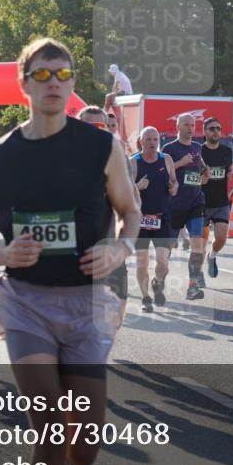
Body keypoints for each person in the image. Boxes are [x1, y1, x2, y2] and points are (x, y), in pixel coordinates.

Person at [0, 37, 139, 465]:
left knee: (83, 446)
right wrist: (2, 252)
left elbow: (130, 213)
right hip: (26, 303)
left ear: (71, 82)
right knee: (46, 425)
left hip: (86, 304)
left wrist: (119, 247)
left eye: (62, 74)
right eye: (42, 75)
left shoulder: (100, 146)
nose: (53, 83)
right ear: (23, 82)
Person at [78, 105, 140, 313]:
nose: (94, 130)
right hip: (70, 252)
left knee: (117, 312)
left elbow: (131, 202)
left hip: (108, 246)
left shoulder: (118, 158)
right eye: (88, 125)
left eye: (100, 126)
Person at [163, 114, 210, 300]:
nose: (190, 128)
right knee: (167, 248)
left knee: (197, 244)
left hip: (196, 201)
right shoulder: (169, 148)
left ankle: (192, 287)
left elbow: (202, 168)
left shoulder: (198, 147)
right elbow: (161, 171)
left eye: (193, 124)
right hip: (175, 205)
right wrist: (180, 163)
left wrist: (205, 174)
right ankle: (159, 280)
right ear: (177, 126)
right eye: (186, 125)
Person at [131, 127, 178, 313]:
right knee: (142, 262)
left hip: (161, 218)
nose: (152, 142)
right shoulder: (133, 162)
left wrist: (174, 188)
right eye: (148, 139)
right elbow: (124, 191)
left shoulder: (166, 159)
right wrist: (137, 186)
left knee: (163, 262)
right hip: (140, 219)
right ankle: (145, 298)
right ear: (141, 142)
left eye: (155, 139)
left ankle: (157, 282)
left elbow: (174, 182)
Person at [200, 117, 233, 278]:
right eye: (212, 128)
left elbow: (229, 170)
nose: (216, 132)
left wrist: (232, 175)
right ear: (204, 131)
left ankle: (212, 256)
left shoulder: (227, 151)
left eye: (218, 128)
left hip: (221, 202)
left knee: (221, 238)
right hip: (201, 203)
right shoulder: (199, 151)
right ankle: (197, 274)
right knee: (200, 242)